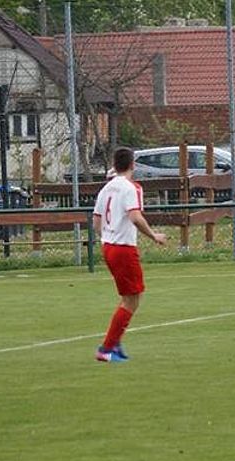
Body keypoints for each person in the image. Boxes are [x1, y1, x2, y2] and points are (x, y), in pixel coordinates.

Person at [93, 147, 167, 362]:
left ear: (115, 165)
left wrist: (107, 236)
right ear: (133, 164)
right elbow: (135, 217)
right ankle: (107, 349)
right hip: (123, 248)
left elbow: (97, 221)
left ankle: (114, 343)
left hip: (108, 246)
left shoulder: (106, 188)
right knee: (132, 299)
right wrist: (154, 236)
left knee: (130, 296)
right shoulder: (131, 188)